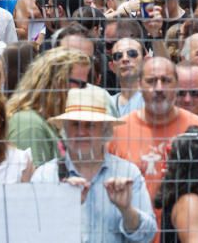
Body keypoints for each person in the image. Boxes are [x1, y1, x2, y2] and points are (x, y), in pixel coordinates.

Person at [31, 86, 157, 243]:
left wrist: (127, 210)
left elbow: (148, 236)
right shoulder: (45, 176)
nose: (81, 132)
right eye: (75, 124)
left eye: (90, 125)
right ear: (65, 129)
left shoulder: (127, 173)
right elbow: (31, 235)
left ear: (105, 130)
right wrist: (65, 207)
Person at [108, 56, 198, 201]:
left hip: (182, 221)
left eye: (166, 81)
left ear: (177, 85)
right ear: (139, 84)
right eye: (151, 81)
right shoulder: (117, 130)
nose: (158, 88)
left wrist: (191, 179)